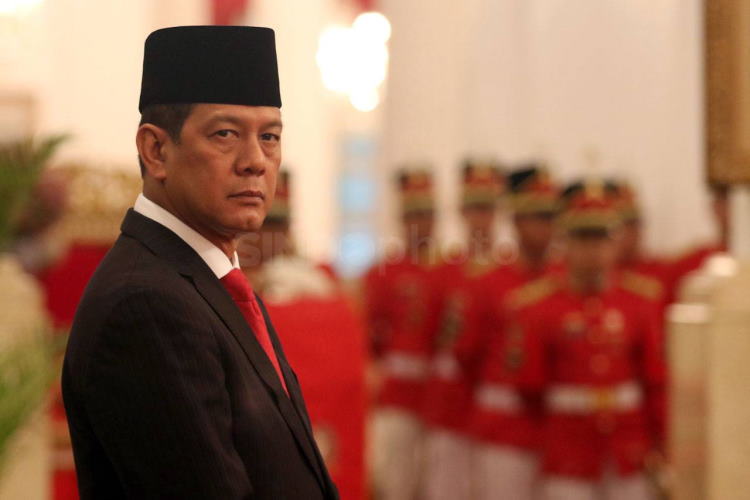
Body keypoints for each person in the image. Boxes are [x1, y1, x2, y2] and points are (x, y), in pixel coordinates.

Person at [62, 26, 338, 499]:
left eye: (269, 136)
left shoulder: (209, 280)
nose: (255, 161)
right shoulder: (146, 304)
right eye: (225, 134)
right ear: (156, 150)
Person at [510, 180, 666, 500]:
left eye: (601, 238)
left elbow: (655, 382)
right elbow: (530, 388)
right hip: (569, 451)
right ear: (565, 242)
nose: (593, 250)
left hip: (627, 449)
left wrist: (660, 445)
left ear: (616, 242)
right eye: (582, 238)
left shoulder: (640, 301)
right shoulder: (539, 307)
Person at [237, 170, 368, 500]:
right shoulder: (223, 282)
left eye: (276, 225)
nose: (268, 236)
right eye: (261, 225)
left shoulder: (315, 283)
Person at [469, 164, 562, 500]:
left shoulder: (564, 281)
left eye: (551, 217)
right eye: (538, 217)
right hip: (504, 431)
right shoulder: (489, 283)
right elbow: (468, 355)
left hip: (557, 434)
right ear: (517, 221)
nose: (546, 227)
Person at [420, 160, 505, 500]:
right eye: (475, 208)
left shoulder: (509, 272)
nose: (481, 218)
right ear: (463, 213)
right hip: (450, 401)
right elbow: (429, 338)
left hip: (494, 405)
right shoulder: (443, 272)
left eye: (487, 208)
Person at [364, 168, 444, 500]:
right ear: (402, 219)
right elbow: (369, 337)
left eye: (426, 214)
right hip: (396, 394)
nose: (421, 223)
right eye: (413, 215)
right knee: (395, 481)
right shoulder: (383, 273)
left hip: (441, 397)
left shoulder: (450, 271)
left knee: (437, 483)